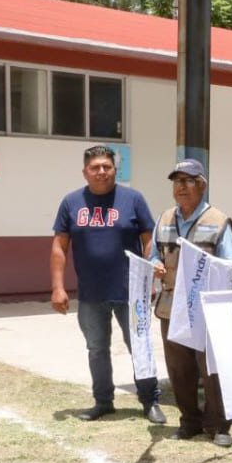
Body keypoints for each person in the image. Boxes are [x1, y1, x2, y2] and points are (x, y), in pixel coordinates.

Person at [51, 145, 163, 423]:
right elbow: (59, 246)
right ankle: (103, 401)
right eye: (95, 167)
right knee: (97, 348)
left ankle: (150, 401)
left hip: (131, 292)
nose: (101, 171)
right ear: (85, 172)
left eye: (107, 166)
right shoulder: (71, 202)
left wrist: (148, 277)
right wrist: (58, 286)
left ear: (115, 169)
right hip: (91, 292)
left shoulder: (133, 199)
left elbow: (149, 239)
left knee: (139, 345)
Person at [150, 158, 232, 447]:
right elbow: (153, 254)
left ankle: (218, 425)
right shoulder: (163, 219)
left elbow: (231, 265)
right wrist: (154, 264)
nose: (182, 187)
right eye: (177, 181)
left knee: (211, 368)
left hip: (205, 310)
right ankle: (189, 420)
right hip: (170, 306)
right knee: (178, 369)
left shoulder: (218, 221)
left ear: (202, 185)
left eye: (188, 181)